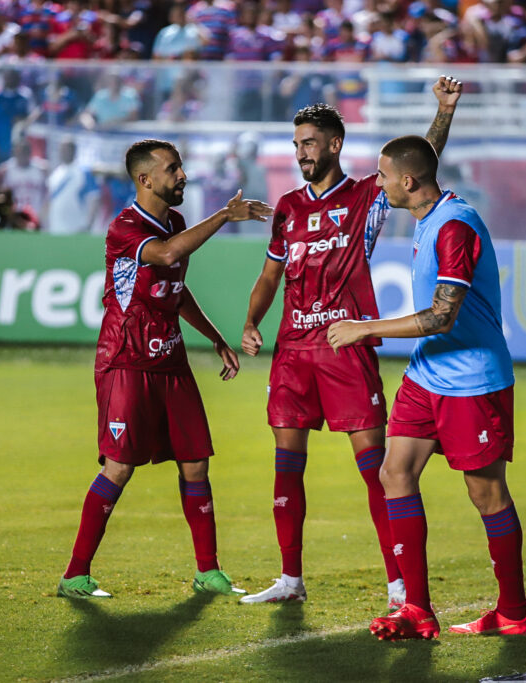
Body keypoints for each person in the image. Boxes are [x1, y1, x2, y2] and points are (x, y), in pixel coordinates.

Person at [238, 77, 462, 609]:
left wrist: (444, 111)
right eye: (296, 146)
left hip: (345, 347)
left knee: (378, 471)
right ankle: (290, 580)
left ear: (334, 144)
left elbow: (419, 164)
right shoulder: (288, 208)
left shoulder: (366, 197)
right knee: (286, 465)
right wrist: (251, 322)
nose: (301, 154)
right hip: (292, 353)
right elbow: (271, 277)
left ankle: (399, 584)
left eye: (309, 143)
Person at [327, 134, 526, 641]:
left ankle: (513, 613)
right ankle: (417, 609)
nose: (378, 183)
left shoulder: (454, 227)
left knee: (486, 493)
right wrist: (444, 112)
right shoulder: (429, 215)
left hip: (471, 381)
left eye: (383, 175)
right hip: (425, 375)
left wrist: (366, 328)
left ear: (408, 181)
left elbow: (443, 314)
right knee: (394, 472)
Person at [57, 139, 272, 599]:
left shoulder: (173, 222)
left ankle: (208, 572)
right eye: (173, 169)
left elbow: (176, 286)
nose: (182, 175)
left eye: (181, 167)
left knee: (195, 463)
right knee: (119, 467)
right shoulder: (125, 228)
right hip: (127, 359)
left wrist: (214, 337)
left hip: (169, 358)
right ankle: (75, 574)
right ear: (145, 179)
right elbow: (167, 255)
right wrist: (222, 217)